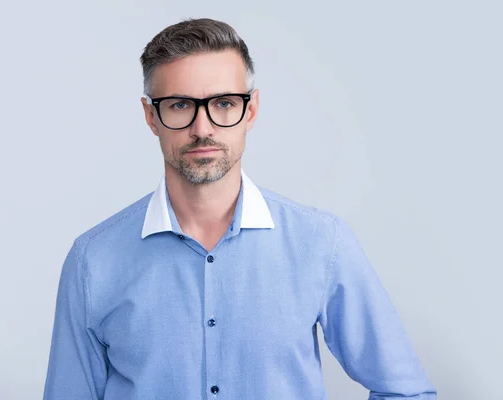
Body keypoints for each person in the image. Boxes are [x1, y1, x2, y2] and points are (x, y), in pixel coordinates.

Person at [43, 18, 437, 400]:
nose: (203, 128)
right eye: (180, 105)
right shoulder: (92, 260)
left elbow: (405, 391)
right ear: (151, 116)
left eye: (224, 103)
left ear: (250, 110)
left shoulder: (321, 244)